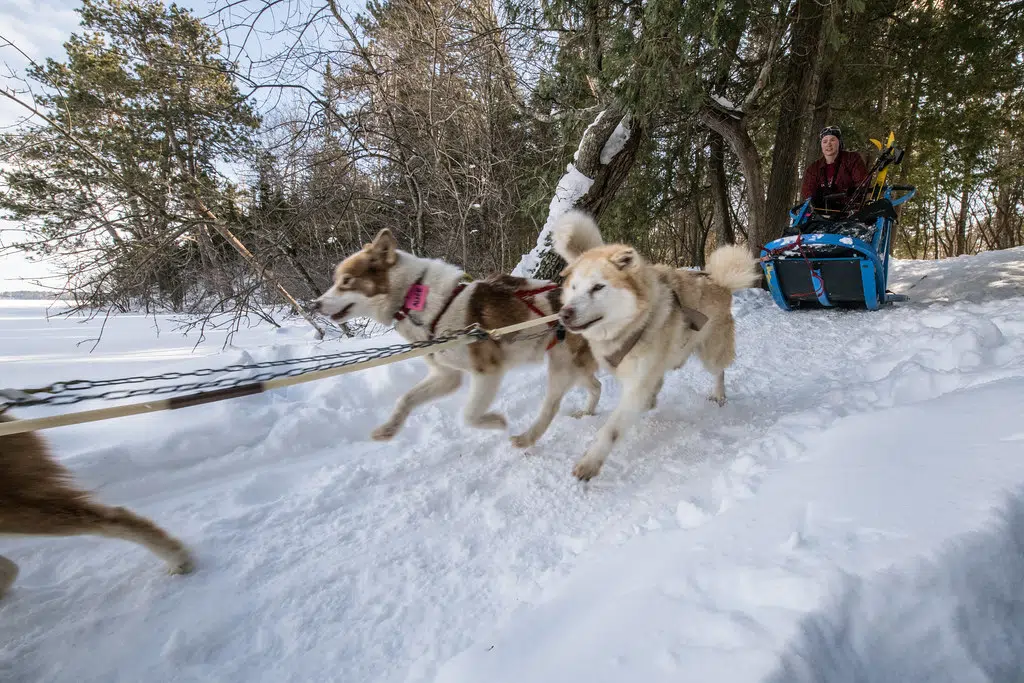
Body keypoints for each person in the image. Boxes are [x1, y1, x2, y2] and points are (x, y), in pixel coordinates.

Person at [800, 126, 869, 207]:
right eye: (825, 141)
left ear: (839, 142)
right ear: (821, 145)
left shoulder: (852, 159)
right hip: (821, 212)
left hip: (848, 210)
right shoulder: (813, 168)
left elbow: (862, 183)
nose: (828, 144)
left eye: (832, 140)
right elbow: (807, 192)